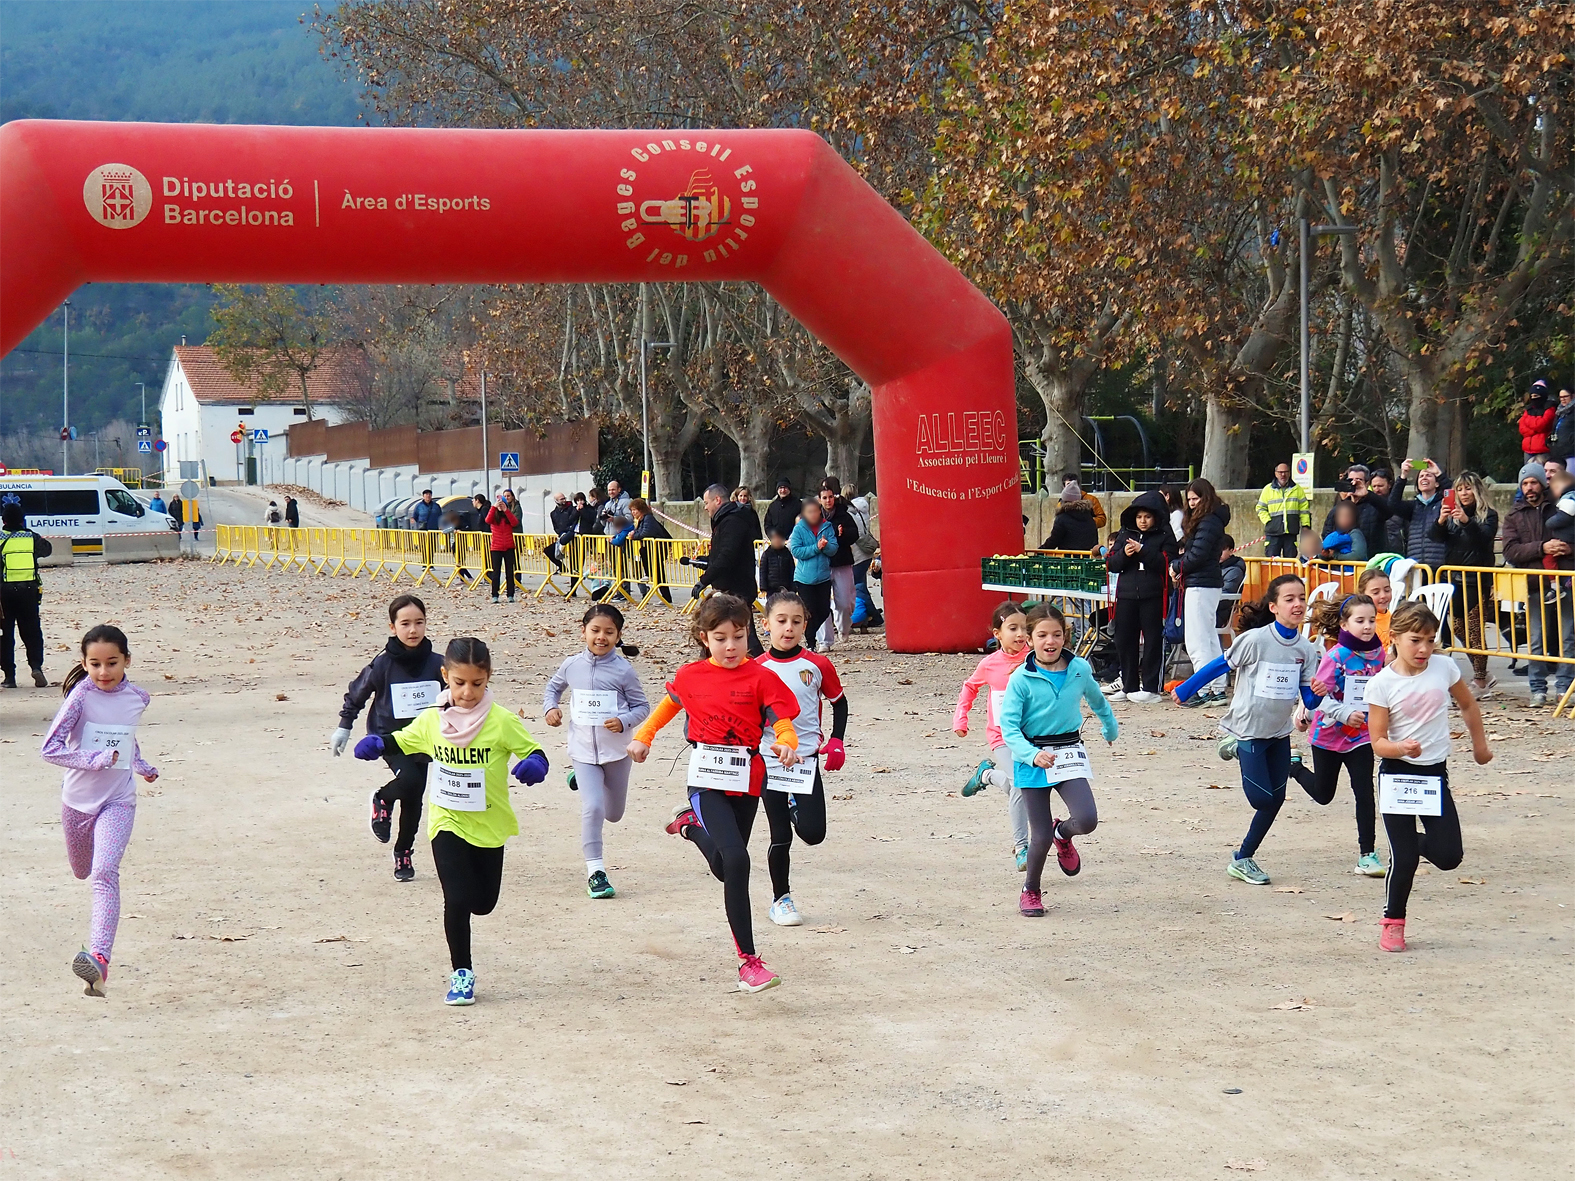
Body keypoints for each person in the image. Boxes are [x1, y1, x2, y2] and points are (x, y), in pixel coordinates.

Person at [356, 637, 547, 1005]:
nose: (467, 692)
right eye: (459, 683)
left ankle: (469, 936)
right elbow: (402, 740)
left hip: (489, 825)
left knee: (483, 903)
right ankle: (462, 972)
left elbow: (534, 750)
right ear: (445, 676)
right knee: (456, 899)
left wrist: (535, 764)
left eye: (477, 683)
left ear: (488, 678)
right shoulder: (432, 720)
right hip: (447, 821)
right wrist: (379, 744)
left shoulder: (502, 721)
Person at [628, 594, 801, 993]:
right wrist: (644, 736)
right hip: (706, 779)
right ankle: (749, 963)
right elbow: (668, 706)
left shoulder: (761, 678)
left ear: (748, 635)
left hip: (747, 779)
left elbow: (781, 718)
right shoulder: (691, 676)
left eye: (738, 637)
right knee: (738, 860)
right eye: (720, 638)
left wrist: (786, 741)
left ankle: (689, 826)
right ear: (704, 638)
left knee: (727, 868)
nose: (730, 646)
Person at [1174, 574, 1323, 885]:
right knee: (1262, 800)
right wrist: (1187, 688)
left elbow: (1308, 697)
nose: (1297, 604)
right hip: (1249, 728)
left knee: (1276, 800)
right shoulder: (1256, 640)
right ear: (1274, 606)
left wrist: (1321, 691)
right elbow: (1220, 665)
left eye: (1301, 598)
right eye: (1289, 599)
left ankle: (1243, 858)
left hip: (1279, 732)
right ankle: (1236, 746)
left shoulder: (1306, 651)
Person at [39, 625, 159, 996]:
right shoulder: (80, 697)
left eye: (112, 663)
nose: (103, 672)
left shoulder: (138, 698)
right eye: (95, 664)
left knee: (104, 873)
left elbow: (126, 736)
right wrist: (97, 758)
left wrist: (139, 764)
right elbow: (51, 749)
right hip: (78, 802)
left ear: (127, 660)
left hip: (118, 799)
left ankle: (99, 960)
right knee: (82, 870)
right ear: (84, 663)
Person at [1365, 601, 1491, 952]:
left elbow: (1468, 705)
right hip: (1397, 774)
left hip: (1434, 774)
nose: (1424, 649)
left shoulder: (1444, 667)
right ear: (1395, 638)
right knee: (1404, 860)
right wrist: (1400, 747)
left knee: (1449, 856)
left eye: (1430, 640)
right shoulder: (1381, 684)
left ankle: (1405, 843)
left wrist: (1480, 747)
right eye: (1415, 640)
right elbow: (1378, 742)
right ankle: (1393, 922)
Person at [998, 602, 1118, 917]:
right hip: (1033, 758)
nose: (1050, 642)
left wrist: (1110, 726)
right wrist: (1031, 754)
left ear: (1065, 636)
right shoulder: (1021, 679)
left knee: (1088, 819)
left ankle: (1062, 833)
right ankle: (1031, 890)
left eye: (1056, 635)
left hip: (1068, 754)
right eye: (1042, 635)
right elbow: (1008, 727)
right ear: (1029, 638)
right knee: (1038, 837)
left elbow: (1096, 698)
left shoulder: (1079, 668)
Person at [330, 594, 445, 882]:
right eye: (405, 623)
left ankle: (403, 852)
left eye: (419, 622)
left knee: (415, 797)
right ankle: (382, 799)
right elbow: (358, 692)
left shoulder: (439, 664)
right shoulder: (382, 665)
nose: (413, 630)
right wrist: (345, 726)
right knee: (411, 782)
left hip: (425, 739)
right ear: (392, 627)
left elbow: (458, 695)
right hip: (389, 738)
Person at [541, 603, 650, 899]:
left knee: (613, 814)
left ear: (618, 636)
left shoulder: (623, 671)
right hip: (583, 750)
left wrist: (624, 720)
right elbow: (553, 689)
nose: (601, 637)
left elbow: (642, 707)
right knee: (593, 808)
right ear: (583, 631)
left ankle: (584, 781)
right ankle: (596, 872)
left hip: (616, 752)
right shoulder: (572, 664)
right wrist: (550, 708)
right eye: (595, 630)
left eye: (609, 632)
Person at [755, 591, 849, 926]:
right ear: (766, 624)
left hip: (806, 761)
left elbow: (839, 701)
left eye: (796, 621)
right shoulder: (756, 669)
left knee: (813, 833)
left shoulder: (818, 664)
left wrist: (836, 740)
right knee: (780, 836)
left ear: (806, 624)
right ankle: (781, 899)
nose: (788, 628)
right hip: (769, 761)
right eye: (781, 621)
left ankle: (797, 807)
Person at [1295, 593, 1388, 876]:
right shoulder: (1336, 656)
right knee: (1324, 795)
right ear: (1344, 625)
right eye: (1360, 621)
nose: (1367, 626)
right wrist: (1344, 713)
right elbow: (1316, 698)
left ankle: (1367, 854)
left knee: (1365, 792)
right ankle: (1294, 767)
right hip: (1328, 735)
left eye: (1371, 620)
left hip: (1361, 736)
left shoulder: (1379, 654)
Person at [956, 602, 1034, 870]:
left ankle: (986, 776)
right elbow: (969, 688)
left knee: (1024, 786)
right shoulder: (989, 664)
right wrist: (961, 718)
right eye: (1013, 628)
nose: (1020, 634)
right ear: (997, 633)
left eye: (1024, 628)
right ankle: (1022, 847)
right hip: (1001, 735)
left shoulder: (1034, 659)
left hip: (1032, 735)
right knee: (1020, 786)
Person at [1501, 462, 1574, 708]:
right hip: (1533, 584)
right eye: (1525, 483)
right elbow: (1510, 551)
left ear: (1543, 483)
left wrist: (1567, 548)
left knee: (1567, 638)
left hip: (1563, 579)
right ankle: (1538, 690)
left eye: (1534, 482)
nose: (1530, 487)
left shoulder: (1561, 507)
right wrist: (1542, 547)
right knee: (1536, 641)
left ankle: (1564, 689)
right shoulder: (1513, 515)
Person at [1428, 472, 1499, 693]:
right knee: (1458, 628)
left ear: (1477, 490)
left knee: (1475, 630)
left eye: (1468, 488)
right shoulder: (1451, 515)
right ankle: (1484, 672)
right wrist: (1441, 520)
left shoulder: (1489, 515)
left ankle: (1480, 679)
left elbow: (1483, 539)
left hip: (1477, 580)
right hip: (1453, 578)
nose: (1463, 493)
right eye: (1459, 489)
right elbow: (1434, 537)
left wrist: (1467, 522)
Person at [1104, 490, 1175, 703]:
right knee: (1124, 640)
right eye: (1139, 517)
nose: (1143, 521)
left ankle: (1152, 687)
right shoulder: (1124, 534)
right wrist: (1124, 555)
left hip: (1153, 595)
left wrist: (1143, 550)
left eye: (1147, 517)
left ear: (1155, 517)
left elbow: (1167, 565)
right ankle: (1129, 685)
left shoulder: (1165, 536)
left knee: (1153, 641)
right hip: (1126, 595)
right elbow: (1112, 564)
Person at [1175, 478, 1232, 703]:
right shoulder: (1214, 520)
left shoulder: (1207, 522)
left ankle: (1202, 689)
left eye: (1196, 499)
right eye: (1189, 500)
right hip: (1207, 583)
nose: (1191, 504)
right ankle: (1216, 687)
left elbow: (1197, 554)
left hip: (1200, 583)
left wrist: (1177, 566)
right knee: (1208, 638)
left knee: (1197, 641)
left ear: (1205, 497)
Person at [1, 500, 52, 688]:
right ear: (23, 520)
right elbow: (47, 550)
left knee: (5, 636)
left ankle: (9, 677)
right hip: (29, 592)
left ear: (4, 521)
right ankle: (36, 667)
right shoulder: (32, 537)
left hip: (3, 595)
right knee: (32, 632)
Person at [789, 498, 838, 647]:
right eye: (810, 512)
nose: (813, 514)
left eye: (816, 511)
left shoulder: (827, 526)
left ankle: (809, 633)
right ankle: (811, 641)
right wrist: (816, 547)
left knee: (823, 610)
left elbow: (834, 549)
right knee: (810, 610)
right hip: (804, 578)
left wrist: (826, 546)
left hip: (823, 576)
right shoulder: (799, 529)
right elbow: (796, 550)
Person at [818, 478, 859, 649]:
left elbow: (854, 535)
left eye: (830, 497)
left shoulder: (844, 515)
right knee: (821, 603)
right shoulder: (813, 516)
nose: (828, 501)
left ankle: (843, 627)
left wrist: (842, 535)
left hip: (841, 562)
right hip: (820, 564)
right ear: (819, 499)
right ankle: (825, 641)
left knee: (845, 602)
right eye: (824, 498)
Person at [1387, 459, 1449, 568]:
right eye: (1421, 476)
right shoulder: (1413, 506)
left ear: (1437, 483)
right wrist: (1403, 476)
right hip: (1416, 565)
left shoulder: (1443, 504)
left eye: (1429, 475)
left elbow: (1454, 494)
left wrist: (1439, 473)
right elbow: (1392, 504)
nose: (1424, 478)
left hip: (1440, 566)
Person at [1256, 462, 1310, 558]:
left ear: (1289, 473)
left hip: (1290, 533)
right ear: (1275, 473)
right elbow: (1260, 508)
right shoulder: (1268, 490)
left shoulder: (1297, 489)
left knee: (1290, 563)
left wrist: (1306, 526)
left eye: (1285, 472)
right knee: (1271, 564)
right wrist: (1268, 521)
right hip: (1273, 533)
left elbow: (1304, 510)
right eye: (1280, 472)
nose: (1283, 475)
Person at [626, 497, 672, 603]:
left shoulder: (648, 518)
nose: (633, 513)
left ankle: (666, 597)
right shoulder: (642, 520)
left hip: (659, 547)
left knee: (659, 572)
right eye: (632, 510)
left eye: (635, 510)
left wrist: (634, 536)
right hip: (652, 548)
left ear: (641, 510)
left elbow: (646, 533)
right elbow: (639, 532)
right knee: (659, 573)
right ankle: (666, 598)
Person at [847, 494, 883, 629]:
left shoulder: (852, 515)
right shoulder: (863, 512)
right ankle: (871, 614)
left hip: (858, 555)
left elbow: (856, 534)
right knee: (861, 586)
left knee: (859, 587)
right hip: (866, 554)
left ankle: (874, 615)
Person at [485, 492, 521, 604]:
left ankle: (510, 594)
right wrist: (493, 507)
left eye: (502, 505)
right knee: (496, 573)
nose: (500, 507)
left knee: (510, 572)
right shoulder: (494, 517)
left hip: (509, 547)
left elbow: (515, 522)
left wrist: (506, 510)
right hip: (496, 547)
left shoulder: (507, 516)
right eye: (499, 505)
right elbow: (487, 520)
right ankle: (494, 595)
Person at [1043, 484, 1100, 552]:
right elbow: (1094, 541)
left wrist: (1040, 551)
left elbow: (1054, 541)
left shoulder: (1062, 518)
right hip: (1086, 559)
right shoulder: (1089, 517)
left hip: (1068, 559)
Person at [1518, 379, 1556, 462]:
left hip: (1543, 449)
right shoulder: (1529, 409)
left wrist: (1530, 423)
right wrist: (1535, 430)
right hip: (1528, 450)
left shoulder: (1550, 408)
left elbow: (1542, 424)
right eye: (1531, 396)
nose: (1533, 398)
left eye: (1535, 396)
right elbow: (1522, 428)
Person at [1367, 470, 1405, 553]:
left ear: (1389, 485)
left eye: (1380, 486)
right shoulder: (1368, 506)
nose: (1377, 489)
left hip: (1397, 554)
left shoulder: (1400, 506)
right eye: (1374, 486)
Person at [1357, 566, 1395, 648]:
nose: (1383, 596)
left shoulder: (1393, 617)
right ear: (1362, 594)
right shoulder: (1360, 622)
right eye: (1376, 592)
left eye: (1387, 590)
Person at [544, 492, 578, 574]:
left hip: (572, 536)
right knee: (548, 550)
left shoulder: (572, 509)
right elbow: (556, 527)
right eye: (561, 499)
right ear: (556, 501)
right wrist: (561, 533)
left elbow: (573, 522)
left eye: (564, 498)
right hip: (562, 536)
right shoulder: (553, 513)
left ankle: (574, 581)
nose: (564, 500)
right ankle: (561, 567)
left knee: (574, 564)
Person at [758, 528, 796, 598]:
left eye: (779, 538)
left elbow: (792, 570)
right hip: (771, 588)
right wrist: (763, 587)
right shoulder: (767, 554)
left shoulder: (787, 553)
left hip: (786, 587)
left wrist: (793, 587)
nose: (777, 541)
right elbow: (763, 571)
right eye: (774, 538)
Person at [1548, 384, 1575, 474]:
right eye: (1560, 397)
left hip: (1571, 451)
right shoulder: (1559, 412)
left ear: (1572, 396)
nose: (1563, 399)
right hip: (1558, 450)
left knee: (1570, 477)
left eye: (1565, 396)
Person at [1219, 533, 1247, 613]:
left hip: (1219, 612)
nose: (1218, 553)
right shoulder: (1213, 566)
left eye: (1222, 550)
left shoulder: (1234, 571)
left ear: (1231, 551)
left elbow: (1226, 599)